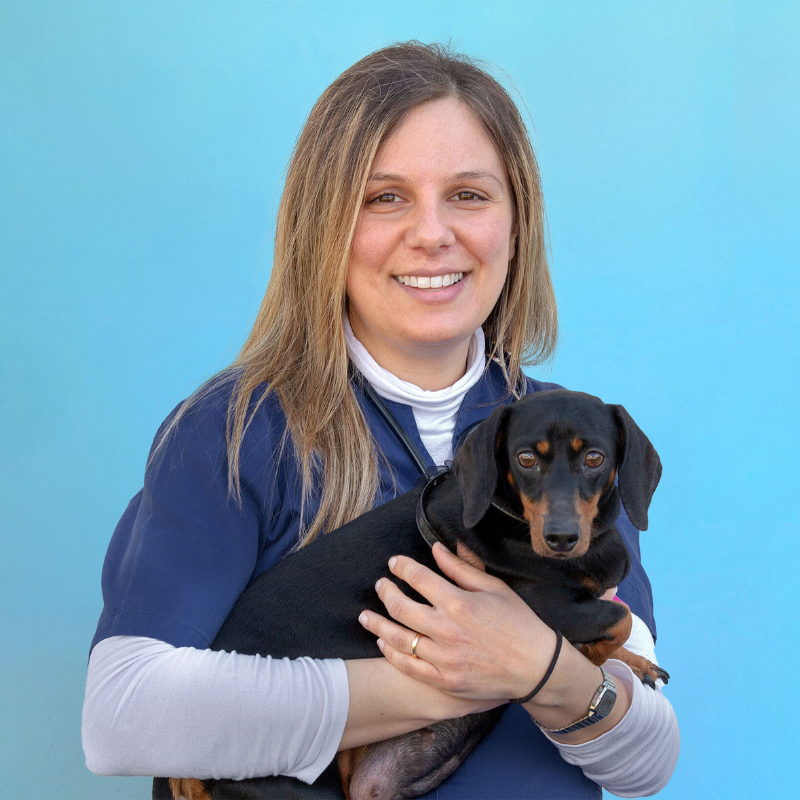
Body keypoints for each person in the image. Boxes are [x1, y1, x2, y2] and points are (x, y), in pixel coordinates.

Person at [82, 42, 679, 799]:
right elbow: (123, 715)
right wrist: (451, 679)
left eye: (469, 194)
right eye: (384, 197)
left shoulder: (572, 444)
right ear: (323, 226)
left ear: (516, 223)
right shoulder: (236, 432)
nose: (432, 234)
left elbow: (646, 757)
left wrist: (542, 666)